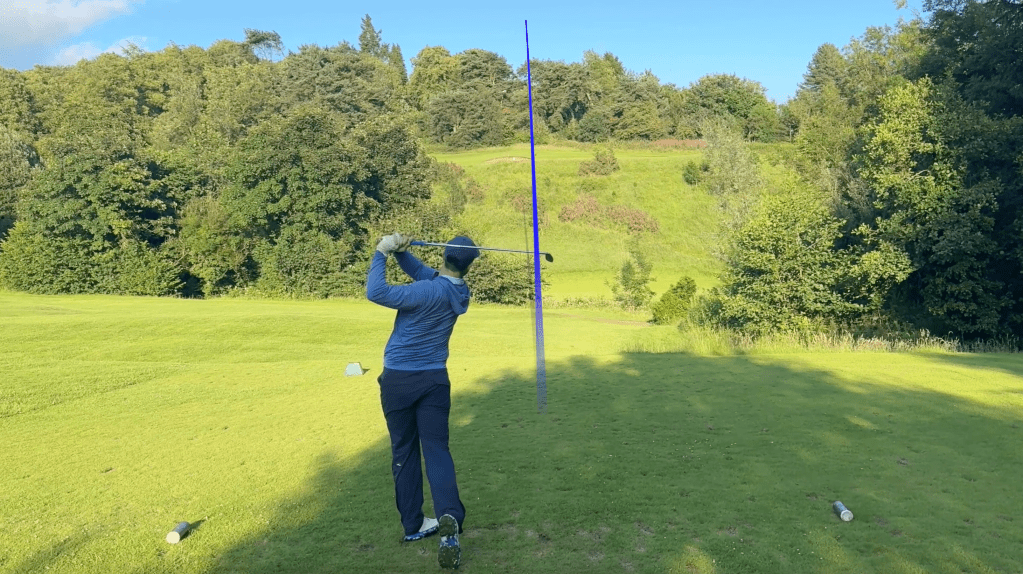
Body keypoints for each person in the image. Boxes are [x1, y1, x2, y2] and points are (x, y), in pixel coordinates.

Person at [366, 233, 479, 570]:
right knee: (437, 450)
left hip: (399, 380)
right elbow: (426, 274)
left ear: (443, 255)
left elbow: (376, 292)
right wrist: (403, 254)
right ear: (468, 264)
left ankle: (413, 525)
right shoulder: (459, 291)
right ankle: (448, 518)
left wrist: (381, 252)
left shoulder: (428, 289)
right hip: (434, 380)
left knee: (404, 451)